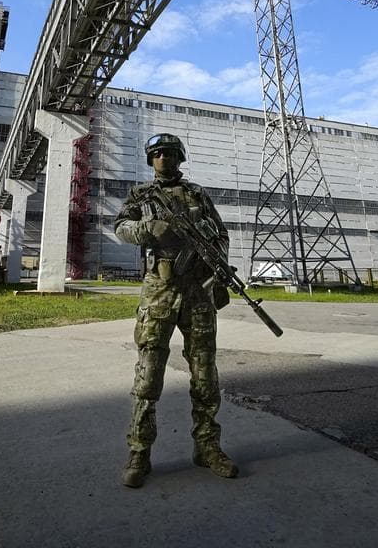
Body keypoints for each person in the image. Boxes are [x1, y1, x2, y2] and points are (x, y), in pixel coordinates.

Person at [113, 133, 238, 489]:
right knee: (148, 375)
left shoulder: (198, 194)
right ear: (150, 160)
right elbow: (119, 227)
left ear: (180, 158)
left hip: (198, 293)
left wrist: (220, 272)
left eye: (169, 153)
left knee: (204, 376)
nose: (163, 158)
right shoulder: (141, 196)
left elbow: (220, 237)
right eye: (156, 154)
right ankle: (139, 451)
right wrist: (146, 228)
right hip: (159, 294)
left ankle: (208, 447)